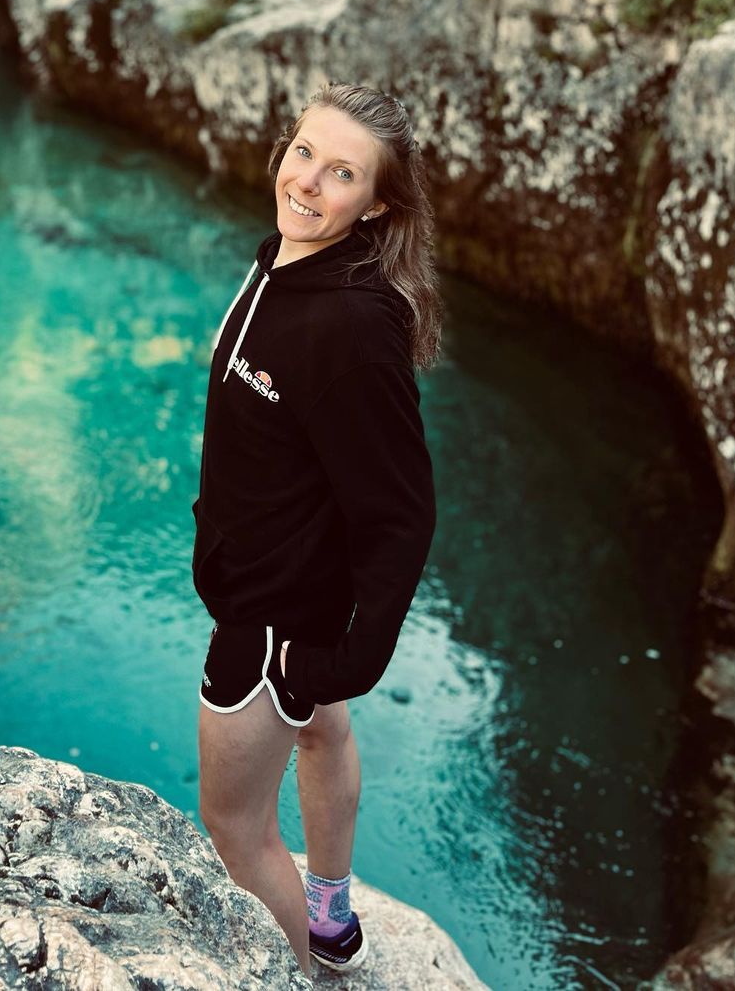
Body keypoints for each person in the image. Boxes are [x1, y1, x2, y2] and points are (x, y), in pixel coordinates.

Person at [191, 80, 442, 976]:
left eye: (342, 173)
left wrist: (350, 658)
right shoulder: (286, 259)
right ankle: (330, 913)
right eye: (304, 152)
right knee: (321, 730)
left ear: (375, 204)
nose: (307, 181)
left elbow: (404, 511)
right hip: (293, 583)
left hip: (270, 621)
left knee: (235, 825)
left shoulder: (351, 323)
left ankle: (302, 970)